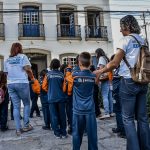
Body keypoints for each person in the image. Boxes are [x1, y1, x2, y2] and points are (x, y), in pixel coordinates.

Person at [94, 15, 150, 150]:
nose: (120, 30)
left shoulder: (125, 40)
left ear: (127, 26)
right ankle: (146, 147)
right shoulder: (143, 40)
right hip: (143, 81)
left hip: (129, 81)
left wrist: (100, 72)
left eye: (121, 27)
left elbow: (114, 63)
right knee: (142, 118)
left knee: (128, 118)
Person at [65, 52, 98, 150]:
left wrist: (69, 68)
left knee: (77, 134)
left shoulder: (74, 76)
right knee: (92, 136)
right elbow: (97, 82)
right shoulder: (93, 76)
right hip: (90, 110)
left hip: (78, 110)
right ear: (91, 62)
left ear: (79, 62)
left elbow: (67, 79)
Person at [4, 43, 34, 136]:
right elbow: (28, 69)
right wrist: (32, 78)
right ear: (20, 48)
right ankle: (26, 126)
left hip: (11, 84)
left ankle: (17, 129)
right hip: (22, 83)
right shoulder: (22, 57)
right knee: (26, 104)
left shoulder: (7, 60)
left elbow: (6, 74)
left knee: (16, 106)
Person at [42, 59, 67, 138]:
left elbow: (44, 86)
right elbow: (64, 88)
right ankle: (63, 132)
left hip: (51, 98)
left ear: (51, 65)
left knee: (54, 116)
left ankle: (57, 132)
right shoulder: (62, 75)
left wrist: (49, 91)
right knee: (62, 115)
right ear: (59, 65)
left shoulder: (48, 75)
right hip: (61, 98)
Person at [95, 48, 113, 119]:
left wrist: (97, 78)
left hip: (104, 79)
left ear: (98, 53)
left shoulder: (101, 58)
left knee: (104, 96)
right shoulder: (106, 58)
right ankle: (111, 112)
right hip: (108, 78)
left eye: (96, 53)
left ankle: (106, 113)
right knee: (109, 96)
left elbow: (101, 69)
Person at [110, 55, 125, 138]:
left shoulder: (121, 70)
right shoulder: (117, 70)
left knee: (119, 112)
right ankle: (119, 128)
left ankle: (123, 131)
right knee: (117, 111)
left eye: (113, 61)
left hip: (118, 93)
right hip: (116, 92)